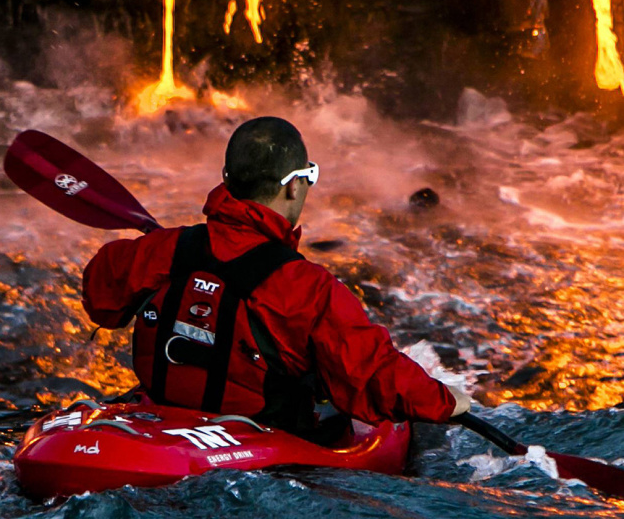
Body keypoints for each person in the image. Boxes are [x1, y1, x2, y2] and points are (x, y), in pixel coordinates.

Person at [82, 116, 471, 439]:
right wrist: (446, 400)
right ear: (293, 185)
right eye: (309, 177)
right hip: (257, 449)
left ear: (228, 179)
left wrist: (163, 254)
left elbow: (99, 297)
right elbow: (371, 374)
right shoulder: (308, 288)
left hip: (159, 426)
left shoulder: (163, 250)